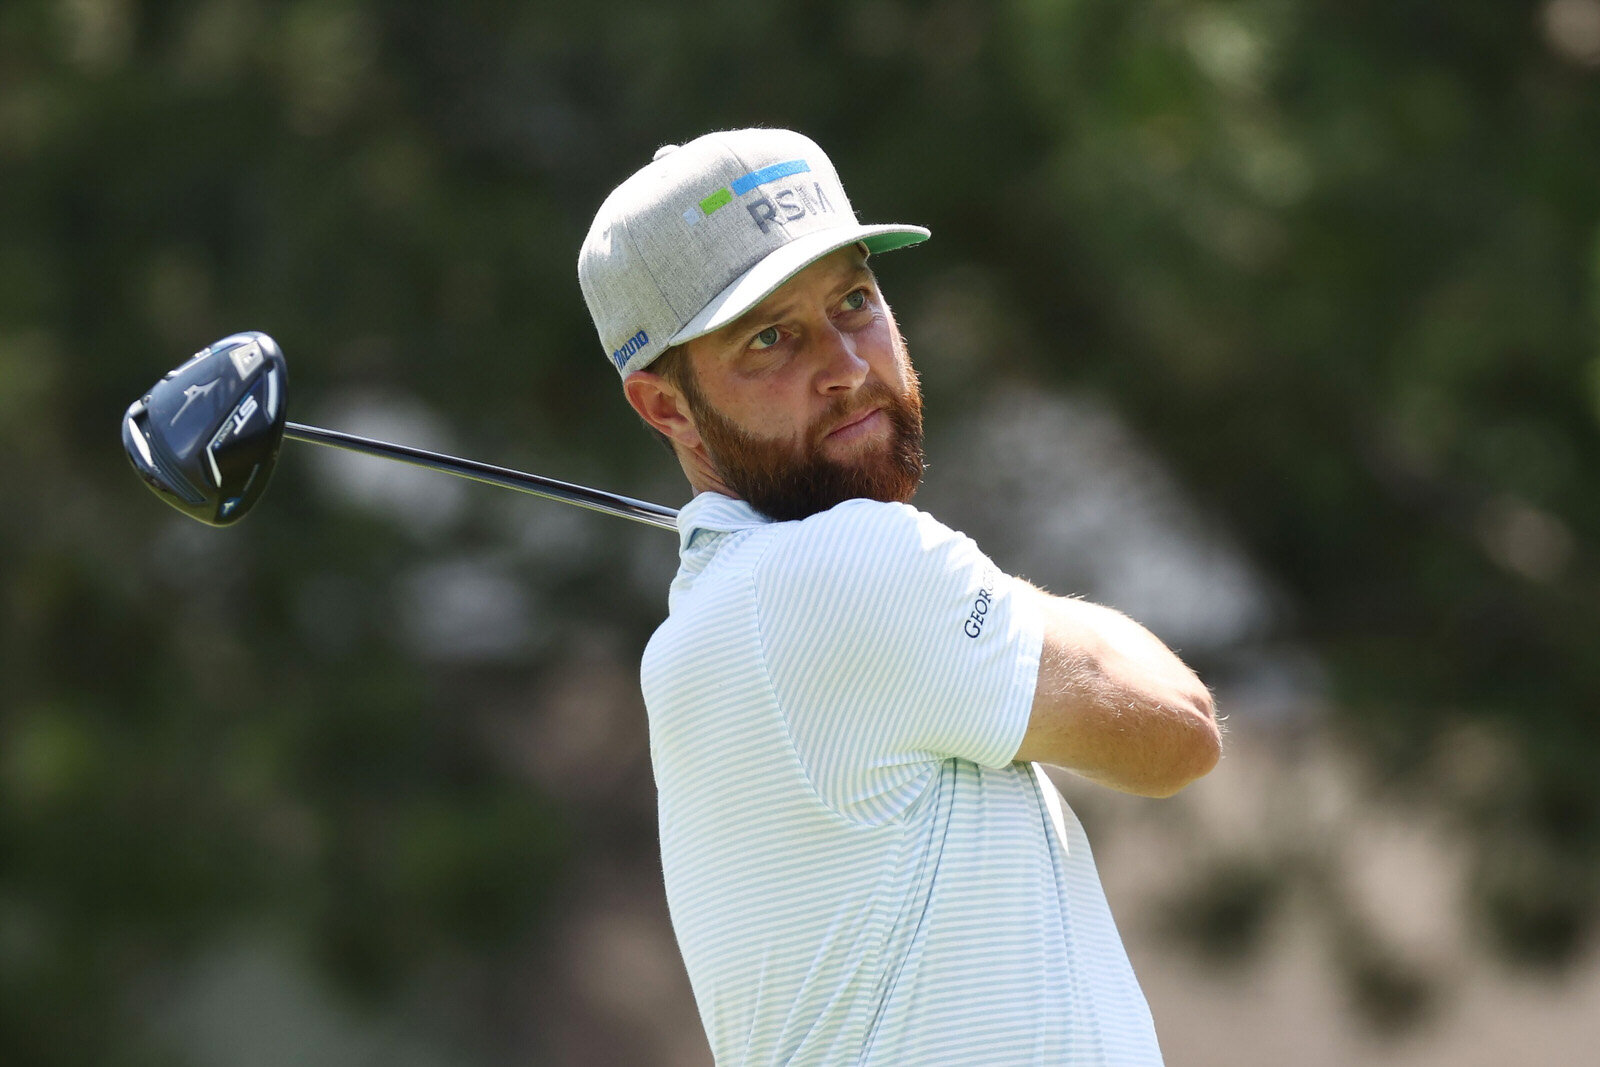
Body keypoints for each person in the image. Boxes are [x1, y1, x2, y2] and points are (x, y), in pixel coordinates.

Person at [577, 128, 1221, 1066]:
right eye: (770, 338)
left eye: (855, 299)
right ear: (666, 407)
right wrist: (982, 584)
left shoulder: (703, 634)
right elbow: (1177, 728)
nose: (845, 362)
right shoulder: (844, 568)